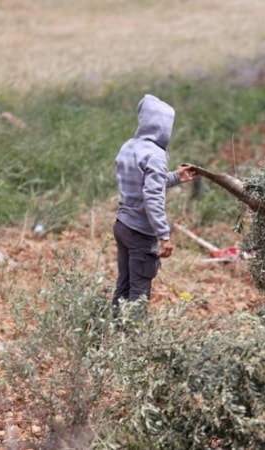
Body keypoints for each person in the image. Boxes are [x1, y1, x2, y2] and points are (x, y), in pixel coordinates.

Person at [112, 94, 197, 314]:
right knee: (139, 294)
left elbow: (142, 183)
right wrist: (164, 235)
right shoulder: (156, 155)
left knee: (123, 287)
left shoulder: (129, 146)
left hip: (122, 225)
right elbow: (152, 196)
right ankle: (132, 333)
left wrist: (176, 177)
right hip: (140, 232)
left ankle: (113, 329)